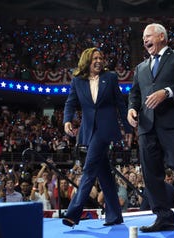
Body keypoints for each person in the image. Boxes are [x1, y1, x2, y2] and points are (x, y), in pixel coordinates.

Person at [127, 23, 174, 232]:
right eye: (143, 38)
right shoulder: (140, 68)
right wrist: (131, 109)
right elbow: (134, 94)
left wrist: (166, 92)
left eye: (148, 36)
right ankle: (163, 217)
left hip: (173, 122)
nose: (144, 40)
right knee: (150, 173)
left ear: (162, 37)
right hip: (147, 127)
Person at [62, 47, 132, 227]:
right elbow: (70, 102)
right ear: (87, 60)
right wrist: (67, 121)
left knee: (89, 169)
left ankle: (73, 213)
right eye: (95, 58)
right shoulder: (78, 81)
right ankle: (115, 215)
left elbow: (120, 104)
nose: (99, 60)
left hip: (105, 129)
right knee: (104, 174)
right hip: (88, 130)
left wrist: (128, 129)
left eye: (101, 57)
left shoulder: (110, 78)